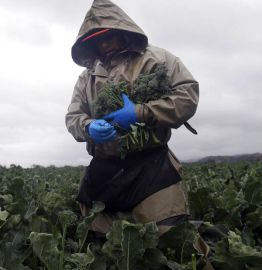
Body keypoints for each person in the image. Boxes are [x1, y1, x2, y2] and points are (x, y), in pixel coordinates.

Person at [65, 0, 199, 236]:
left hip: (151, 166)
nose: (103, 44)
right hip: (105, 169)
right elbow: (74, 117)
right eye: (95, 40)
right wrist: (88, 126)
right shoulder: (87, 78)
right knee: (104, 246)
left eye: (107, 36)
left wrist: (141, 112)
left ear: (122, 29)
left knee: (173, 241)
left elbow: (186, 96)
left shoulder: (156, 59)